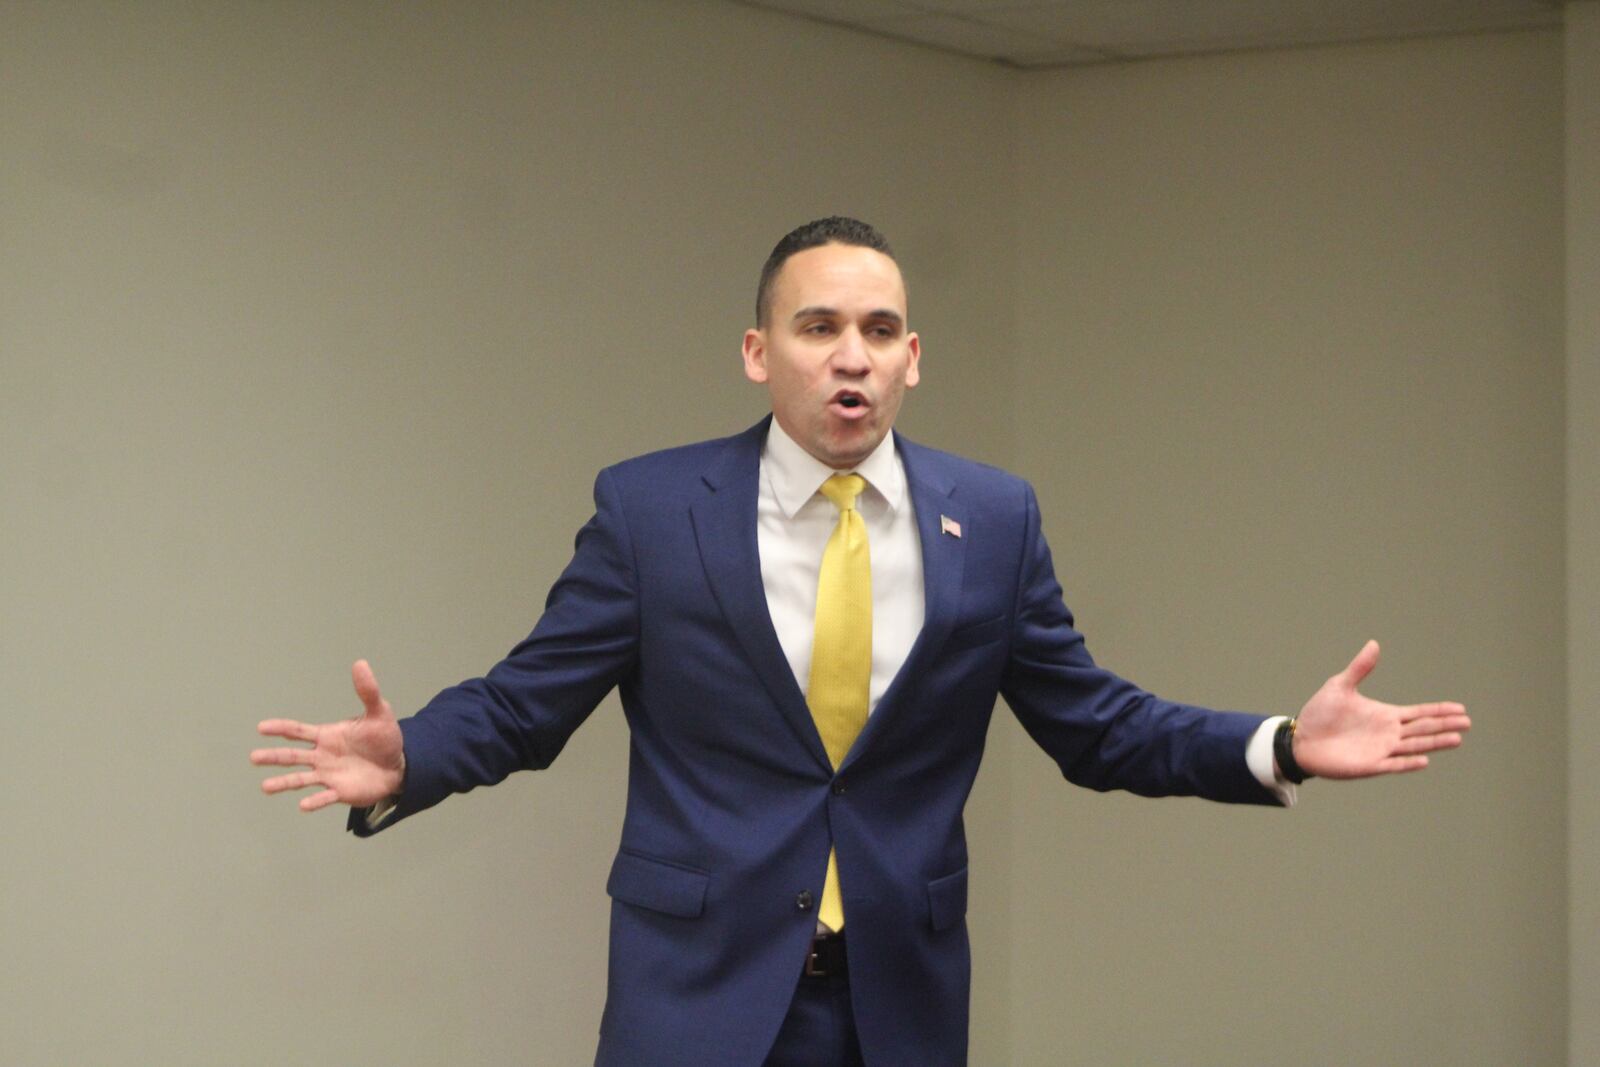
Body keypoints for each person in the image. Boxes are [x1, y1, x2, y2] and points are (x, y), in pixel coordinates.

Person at [252, 217, 1470, 1067]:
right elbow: (527, 703)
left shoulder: (990, 518)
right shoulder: (652, 510)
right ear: (757, 351)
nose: (852, 355)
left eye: (881, 329)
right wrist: (409, 753)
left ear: (912, 358)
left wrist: (1282, 746)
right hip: (701, 993)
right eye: (819, 325)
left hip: (896, 995)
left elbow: (1095, 724)